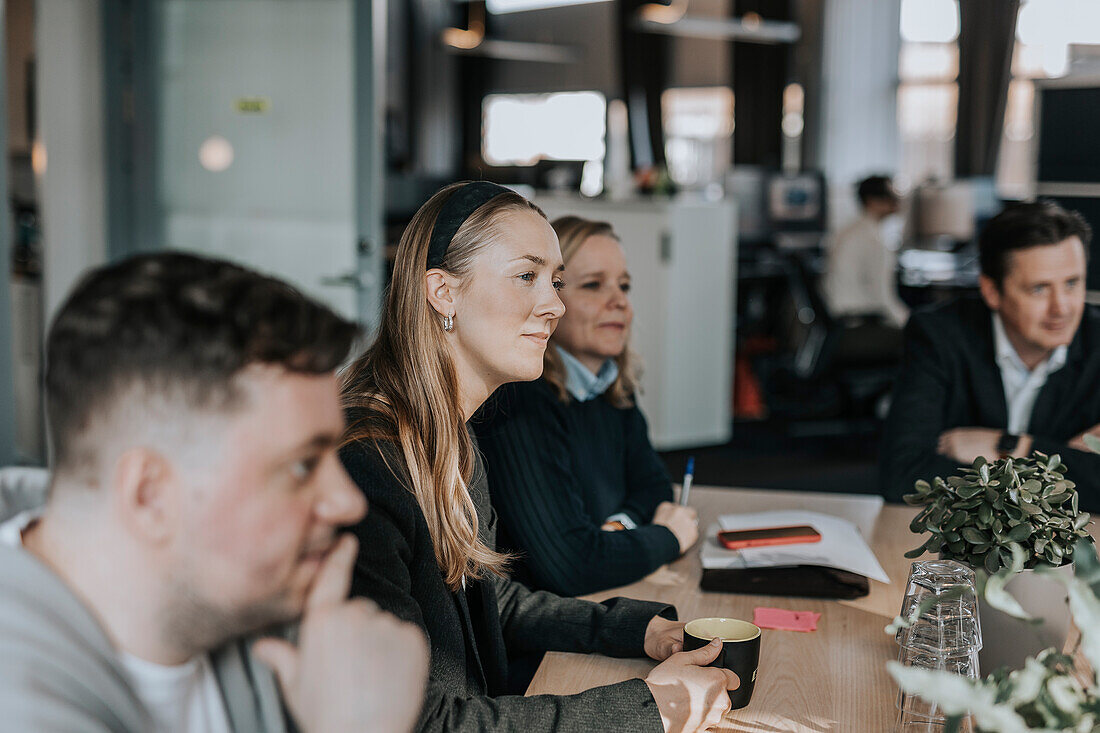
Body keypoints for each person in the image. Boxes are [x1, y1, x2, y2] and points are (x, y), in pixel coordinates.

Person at [340, 182, 737, 733]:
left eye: (554, 281)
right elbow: (421, 724)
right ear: (443, 292)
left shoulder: (444, 435)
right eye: (527, 276)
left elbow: (483, 602)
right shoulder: (366, 466)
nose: (554, 305)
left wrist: (630, 630)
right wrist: (649, 709)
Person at [0, 252, 430, 732]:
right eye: (303, 465)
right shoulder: (21, 707)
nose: (348, 501)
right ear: (150, 496)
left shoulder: (252, 604)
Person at [474, 215, 698, 597]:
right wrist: (668, 537)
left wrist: (615, 533)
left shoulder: (612, 386)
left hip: (605, 595)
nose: (619, 301)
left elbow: (655, 488)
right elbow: (571, 565)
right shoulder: (519, 400)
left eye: (624, 286)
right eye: (594, 285)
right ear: (550, 300)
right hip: (546, 634)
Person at [882, 201, 1100, 506]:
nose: (1061, 308)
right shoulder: (937, 335)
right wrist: (1063, 461)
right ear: (991, 291)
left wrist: (1010, 446)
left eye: (1072, 283)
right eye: (1039, 289)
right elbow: (904, 476)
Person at [822, 175, 908, 328]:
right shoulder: (872, 240)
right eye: (891, 196)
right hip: (862, 322)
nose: (897, 201)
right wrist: (910, 324)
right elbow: (883, 298)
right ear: (872, 200)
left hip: (838, 319)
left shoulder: (847, 230)